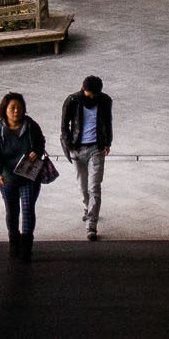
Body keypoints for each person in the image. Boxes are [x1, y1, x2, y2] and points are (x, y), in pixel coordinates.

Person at [0, 91, 46, 261]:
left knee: (27, 209)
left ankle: (26, 247)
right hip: (7, 178)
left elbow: (41, 142)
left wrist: (36, 152)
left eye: (19, 108)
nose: (16, 111)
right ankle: (14, 241)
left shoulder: (31, 126)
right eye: (12, 108)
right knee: (12, 212)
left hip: (29, 176)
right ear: (5, 109)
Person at [60, 75, 113, 240]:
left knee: (94, 187)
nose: (93, 97)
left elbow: (107, 121)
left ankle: (91, 225)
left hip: (96, 149)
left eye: (96, 94)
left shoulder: (104, 100)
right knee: (83, 187)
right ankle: (86, 206)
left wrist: (107, 142)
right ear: (83, 89)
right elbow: (64, 126)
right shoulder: (72, 100)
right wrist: (69, 145)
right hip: (77, 149)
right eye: (90, 94)